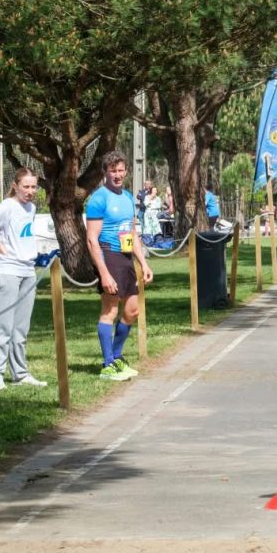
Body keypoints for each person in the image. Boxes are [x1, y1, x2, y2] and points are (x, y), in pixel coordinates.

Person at [0, 168, 49, 389]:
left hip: (27, 270)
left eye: (34, 186)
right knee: (3, 325)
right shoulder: (6, 207)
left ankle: (20, 373)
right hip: (6, 270)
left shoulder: (31, 208)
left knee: (20, 327)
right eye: (26, 186)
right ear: (15, 185)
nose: (30, 191)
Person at [86, 152, 153, 382]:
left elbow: (132, 233)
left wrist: (143, 262)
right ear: (105, 172)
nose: (117, 175)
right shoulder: (99, 199)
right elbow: (91, 239)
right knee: (110, 310)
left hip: (125, 258)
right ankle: (108, 365)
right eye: (113, 170)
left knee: (132, 310)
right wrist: (103, 272)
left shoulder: (127, 197)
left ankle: (116, 357)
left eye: (121, 170)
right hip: (108, 254)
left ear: (126, 171)